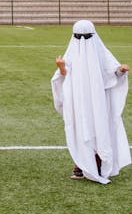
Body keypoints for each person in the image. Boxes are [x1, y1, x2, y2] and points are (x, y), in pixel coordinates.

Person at [51, 19, 130, 184]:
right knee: (81, 127)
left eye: (85, 37)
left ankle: (99, 161)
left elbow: (112, 71)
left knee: (99, 126)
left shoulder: (100, 51)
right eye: (79, 37)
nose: (82, 41)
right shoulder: (72, 52)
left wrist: (120, 70)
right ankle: (80, 164)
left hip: (98, 99)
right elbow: (62, 77)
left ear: (92, 36)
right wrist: (61, 68)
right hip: (78, 100)